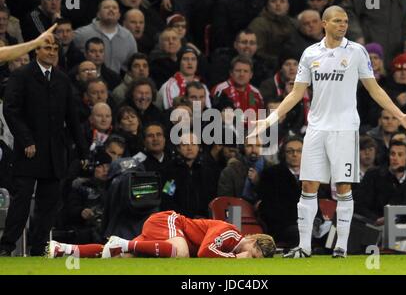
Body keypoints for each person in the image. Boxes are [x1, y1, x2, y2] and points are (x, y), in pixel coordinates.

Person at [250, 6, 406, 258]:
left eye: (345, 21)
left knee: (343, 187)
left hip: (344, 129)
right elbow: (297, 93)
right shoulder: (310, 53)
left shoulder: (356, 52)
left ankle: (341, 246)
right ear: (324, 23)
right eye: (337, 21)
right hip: (317, 128)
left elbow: (374, 89)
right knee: (308, 186)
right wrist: (270, 119)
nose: (343, 25)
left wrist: (399, 114)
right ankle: (304, 246)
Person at [0, 37, 88, 256]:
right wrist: (26, 140)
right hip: (28, 152)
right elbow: (11, 110)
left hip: (55, 152)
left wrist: (82, 149)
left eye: (55, 49)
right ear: (35, 51)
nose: (51, 52)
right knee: (21, 202)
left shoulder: (62, 79)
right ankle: (6, 247)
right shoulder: (21, 76)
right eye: (47, 48)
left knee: (48, 206)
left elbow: (72, 116)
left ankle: (38, 249)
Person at [46, 210, 276, 258]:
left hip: (166, 234)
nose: (250, 260)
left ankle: (63, 249)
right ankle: (124, 244)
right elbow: (206, 251)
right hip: (168, 220)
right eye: (254, 255)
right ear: (252, 240)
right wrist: (235, 259)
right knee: (181, 253)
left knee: (118, 258)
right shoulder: (230, 234)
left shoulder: (233, 243)